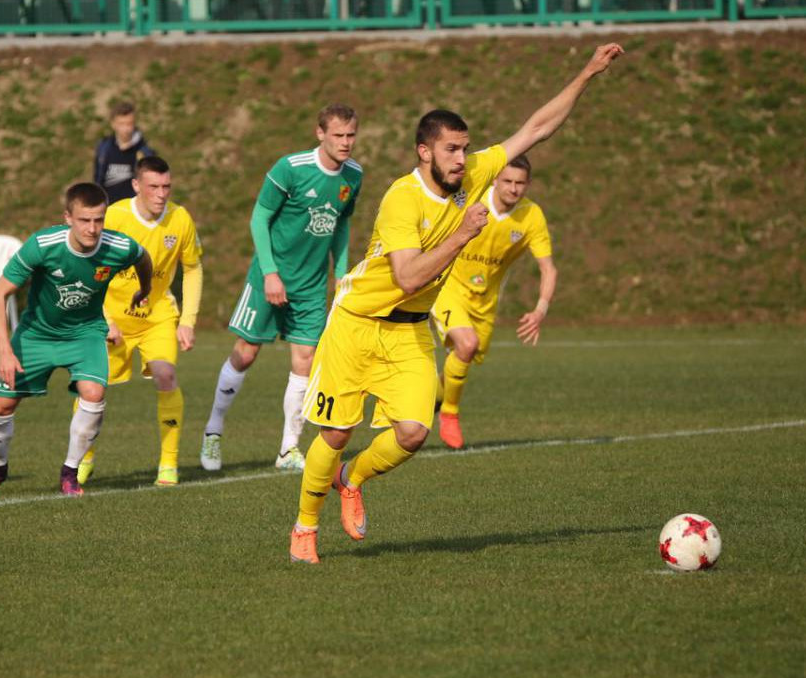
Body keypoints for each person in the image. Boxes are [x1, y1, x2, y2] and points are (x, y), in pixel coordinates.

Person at [289, 44, 624, 564]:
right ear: (425, 152)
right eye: (451, 150)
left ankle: (350, 479)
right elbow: (406, 275)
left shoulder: (471, 175)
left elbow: (534, 129)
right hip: (357, 321)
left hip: (407, 330)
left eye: (465, 149)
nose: (462, 159)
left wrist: (588, 73)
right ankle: (305, 529)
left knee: (413, 433)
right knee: (336, 430)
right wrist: (463, 235)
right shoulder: (403, 197)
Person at [201, 104, 362, 473]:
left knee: (305, 360)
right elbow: (259, 218)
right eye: (338, 135)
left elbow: (341, 225)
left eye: (351, 135)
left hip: (311, 286)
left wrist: (340, 272)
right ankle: (213, 430)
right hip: (269, 278)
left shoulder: (353, 175)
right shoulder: (290, 168)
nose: (346, 143)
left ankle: (288, 448)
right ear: (320, 133)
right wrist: (271, 274)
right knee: (246, 353)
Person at [0, 182, 152, 497]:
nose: (93, 229)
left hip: (86, 333)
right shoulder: (43, 244)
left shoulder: (118, 247)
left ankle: (70, 472)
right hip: (37, 334)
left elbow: (143, 257)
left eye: (99, 220)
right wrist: (4, 351)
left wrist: (144, 289)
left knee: (94, 394)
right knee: (1, 406)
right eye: (85, 220)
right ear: (68, 217)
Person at [76, 156, 203, 487]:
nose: (161, 194)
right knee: (92, 390)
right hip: (112, 316)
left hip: (158, 315)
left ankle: (169, 464)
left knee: (166, 374)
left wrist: (187, 321)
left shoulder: (180, 219)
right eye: (153, 187)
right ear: (136, 186)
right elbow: (90, 267)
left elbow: (193, 268)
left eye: (166, 186)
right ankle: (81, 459)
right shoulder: (115, 217)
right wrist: (101, 317)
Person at [431, 155, 556, 449]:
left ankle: (434, 399)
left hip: (484, 301)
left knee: (462, 358)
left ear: (527, 185)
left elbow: (548, 268)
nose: (513, 189)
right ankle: (449, 414)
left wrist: (540, 309)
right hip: (448, 288)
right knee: (467, 344)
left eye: (520, 183)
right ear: (496, 179)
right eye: (508, 181)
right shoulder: (472, 199)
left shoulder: (531, 216)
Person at [94, 102, 157, 204]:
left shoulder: (145, 152)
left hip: (133, 210)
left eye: (129, 124)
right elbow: (98, 179)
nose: (126, 129)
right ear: (113, 124)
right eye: (121, 124)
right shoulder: (104, 148)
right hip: (108, 209)